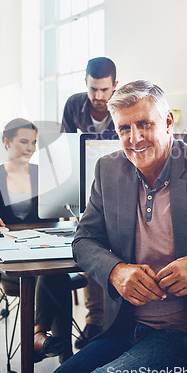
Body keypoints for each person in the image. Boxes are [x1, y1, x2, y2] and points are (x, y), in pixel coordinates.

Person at [47, 80, 187, 373]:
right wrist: (115, 271)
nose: (135, 138)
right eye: (124, 129)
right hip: (124, 327)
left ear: (167, 122)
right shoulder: (108, 170)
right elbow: (84, 240)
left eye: (144, 124)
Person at [0, 118, 73, 363]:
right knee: (56, 275)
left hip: (40, 249)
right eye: (24, 141)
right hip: (9, 258)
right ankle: (62, 354)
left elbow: (58, 212)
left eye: (33, 142)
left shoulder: (42, 175)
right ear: (7, 142)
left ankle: (39, 337)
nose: (30, 148)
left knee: (55, 271)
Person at [61, 56, 118, 349]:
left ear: (114, 87)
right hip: (83, 187)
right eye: (93, 89)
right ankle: (95, 322)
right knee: (89, 246)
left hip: (119, 186)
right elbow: (66, 152)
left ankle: (113, 323)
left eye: (104, 90)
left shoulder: (124, 106)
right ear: (86, 83)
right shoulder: (73, 105)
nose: (98, 97)